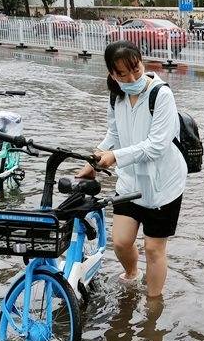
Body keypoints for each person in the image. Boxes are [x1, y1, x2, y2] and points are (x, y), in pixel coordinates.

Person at [77, 41, 187, 298]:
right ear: (112, 74)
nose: (132, 78)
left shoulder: (161, 95)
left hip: (163, 186)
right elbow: (114, 133)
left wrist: (115, 157)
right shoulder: (116, 95)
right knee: (121, 241)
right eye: (123, 73)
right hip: (130, 182)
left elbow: (156, 146)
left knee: (153, 249)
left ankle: (153, 304)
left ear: (141, 62)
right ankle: (132, 275)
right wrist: (93, 161)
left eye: (136, 69)